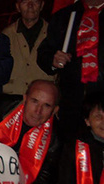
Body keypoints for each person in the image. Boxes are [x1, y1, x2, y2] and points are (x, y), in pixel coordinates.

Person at [37, 0, 104, 143]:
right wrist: (53, 59)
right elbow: (44, 53)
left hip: (101, 104)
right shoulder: (65, 16)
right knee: (70, 152)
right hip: (71, 102)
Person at [2, 0, 55, 95]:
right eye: (25, 1)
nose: (30, 5)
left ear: (42, 5)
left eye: (35, 1)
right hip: (12, 100)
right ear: (18, 6)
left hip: (42, 100)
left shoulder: (54, 33)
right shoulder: (6, 35)